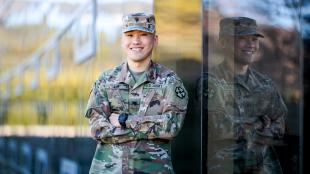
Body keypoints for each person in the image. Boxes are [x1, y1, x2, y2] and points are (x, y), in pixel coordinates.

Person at [84, 12, 188, 174]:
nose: (136, 41)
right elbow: (98, 130)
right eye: (130, 35)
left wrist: (124, 120)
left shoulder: (169, 81)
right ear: (122, 40)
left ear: (155, 40)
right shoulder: (106, 80)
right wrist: (151, 127)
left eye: (144, 34)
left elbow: (170, 127)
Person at [203, 17, 287, 174]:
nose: (251, 45)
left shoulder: (265, 84)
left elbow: (280, 126)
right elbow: (220, 128)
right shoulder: (211, 81)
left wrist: (246, 126)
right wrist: (261, 123)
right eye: (242, 38)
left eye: (254, 39)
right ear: (223, 42)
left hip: (265, 168)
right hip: (228, 167)